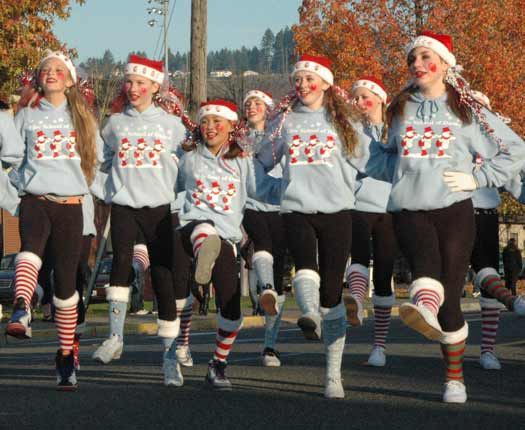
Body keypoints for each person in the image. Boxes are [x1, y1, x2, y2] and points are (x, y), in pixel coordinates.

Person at [368, 31, 525, 403]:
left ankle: (454, 378)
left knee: (452, 299)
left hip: (456, 208)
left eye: (426, 57)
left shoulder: (467, 109)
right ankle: (424, 306)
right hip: (409, 206)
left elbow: (515, 149)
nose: (418, 64)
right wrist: (367, 156)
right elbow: (383, 156)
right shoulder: (400, 108)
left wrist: (479, 177)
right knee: (425, 266)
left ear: (445, 64)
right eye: (412, 59)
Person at [257, 54, 369, 398]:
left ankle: (332, 374)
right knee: (305, 265)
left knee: (333, 290)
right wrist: (278, 190)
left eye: (309, 79)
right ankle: (308, 315)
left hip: (337, 210)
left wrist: (354, 186)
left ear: (325, 83)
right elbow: (260, 162)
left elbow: (370, 161)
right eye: (298, 80)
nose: (302, 85)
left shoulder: (345, 122)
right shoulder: (284, 122)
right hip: (296, 208)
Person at [6, 50, 101, 390]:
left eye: (58, 69)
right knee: (29, 248)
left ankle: (65, 356)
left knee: (66, 284)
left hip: (71, 205)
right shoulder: (26, 115)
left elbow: (99, 165)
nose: (51, 73)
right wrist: (15, 188)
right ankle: (21, 306)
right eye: (46, 69)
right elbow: (10, 155)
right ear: (38, 77)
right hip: (36, 199)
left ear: (70, 79)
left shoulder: (83, 118)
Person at [92, 55, 187, 388]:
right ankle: (115, 337)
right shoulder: (114, 124)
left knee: (162, 276)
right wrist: (105, 189)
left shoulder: (173, 125)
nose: (133, 88)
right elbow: (99, 161)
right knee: (119, 263)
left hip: (159, 206)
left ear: (154, 87)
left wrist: (184, 199)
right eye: (129, 82)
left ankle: (169, 356)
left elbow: (189, 165)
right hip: (123, 204)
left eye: (140, 83)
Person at [177, 99, 281, 390]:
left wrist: (293, 189)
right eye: (205, 121)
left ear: (231, 126)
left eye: (217, 122)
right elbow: (166, 183)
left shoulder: (242, 160)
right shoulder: (189, 157)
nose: (210, 127)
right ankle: (203, 253)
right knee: (204, 230)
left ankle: (218, 364)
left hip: (227, 237)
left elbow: (259, 190)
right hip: (192, 226)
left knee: (232, 309)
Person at [346, 77, 396, 367]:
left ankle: (379, 345)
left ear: (379, 100)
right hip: (360, 203)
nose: (360, 103)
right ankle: (356, 300)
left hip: (390, 207)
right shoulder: (351, 131)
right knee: (360, 255)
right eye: (356, 98)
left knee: (385, 273)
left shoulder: (396, 129)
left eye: (365, 97)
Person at [242, 89, 287, 367]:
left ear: (268, 108)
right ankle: (266, 286)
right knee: (262, 243)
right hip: (249, 204)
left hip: (279, 205)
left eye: (257, 103)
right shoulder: (237, 138)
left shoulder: (280, 136)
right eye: (247, 104)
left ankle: (270, 346)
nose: (252, 107)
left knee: (278, 265)